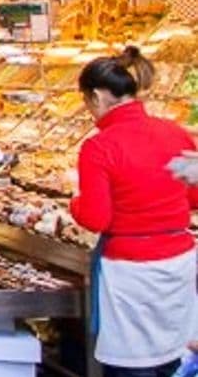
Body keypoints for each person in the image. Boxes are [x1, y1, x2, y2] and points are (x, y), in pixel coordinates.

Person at [70, 49, 198, 377]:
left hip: (130, 275)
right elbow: (195, 196)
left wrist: (74, 204)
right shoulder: (177, 133)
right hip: (178, 265)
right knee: (173, 358)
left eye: (87, 102)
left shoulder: (99, 147)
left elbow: (96, 218)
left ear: (97, 97)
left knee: (132, 366)